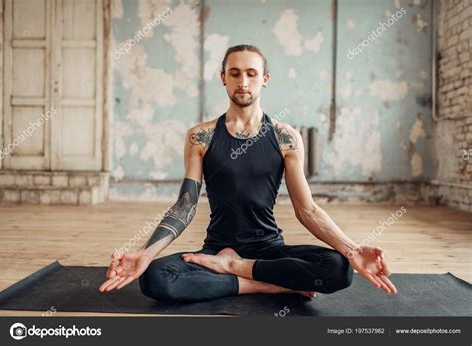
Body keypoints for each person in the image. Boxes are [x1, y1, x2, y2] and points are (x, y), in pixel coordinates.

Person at [99, 44, 397, 303]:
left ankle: (235, 269)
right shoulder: (200, 137)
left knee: (339, 268)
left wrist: (353, 250)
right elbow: (185, 205)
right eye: (235, 73)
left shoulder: (286, 138)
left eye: (251, 73)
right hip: (217, 250)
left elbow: (307, 210)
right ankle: (265, 286)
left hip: (267, 250)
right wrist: (146, 252)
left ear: (264, 79)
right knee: (154, 277)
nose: (243, 81)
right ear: (223, 78)